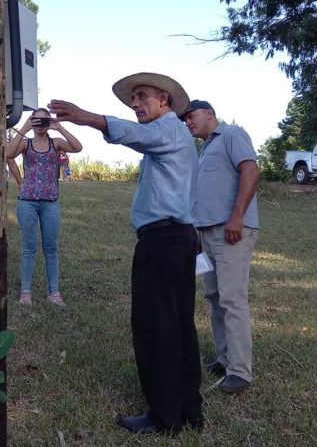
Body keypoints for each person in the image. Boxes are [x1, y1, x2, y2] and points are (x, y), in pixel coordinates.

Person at [49, 73, 202, 435]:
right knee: (180, 325)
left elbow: (135, 136)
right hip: (177, 238)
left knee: (156, 326)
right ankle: (188, 409)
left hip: (162, 242)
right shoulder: (175, 136)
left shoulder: (167, 129)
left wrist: (87, 117)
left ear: (164, 99)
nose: (134, 104)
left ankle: (165, 417)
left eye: (141, 96)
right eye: (132, 98)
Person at [184, 100, 259, 394]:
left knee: (232, 298)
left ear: (210, 114)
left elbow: (250, 171)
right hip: (206, 232)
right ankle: (224, 357)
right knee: (214, 296)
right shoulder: (203, 150)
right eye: (185, 119)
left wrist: (237, 217)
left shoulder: (231, 135)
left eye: (192, 116)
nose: (188, 122)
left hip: (232, 230)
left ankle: (240, 371)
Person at [6, 108, 82, 307]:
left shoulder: (55, 143)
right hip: (27, 202)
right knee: (29, 248)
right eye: (37, 120)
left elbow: (77, 147)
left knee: (51, 249)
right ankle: (25, 292)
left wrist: (59, 127)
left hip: (50, 202)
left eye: (44, 120)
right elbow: (7, 153)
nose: (41, 124)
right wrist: (24, 127)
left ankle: (54, 293)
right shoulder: (25, 143)